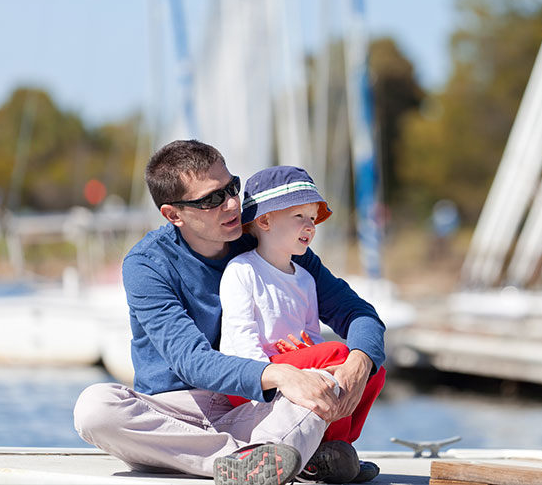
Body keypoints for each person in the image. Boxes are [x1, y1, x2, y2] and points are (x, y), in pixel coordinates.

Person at [73, 140, 386, 485]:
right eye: (211, 199)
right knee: (95, 408)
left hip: (256, 407)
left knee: (330, 374)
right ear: (173, 214)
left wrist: (359, 363)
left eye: (232, 188)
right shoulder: (147, 264)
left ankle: (267, 455)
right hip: (175, 413)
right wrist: (280, 375)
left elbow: (359, 314)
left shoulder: (267, 239)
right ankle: (269, 458)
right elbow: (191, 360)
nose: (233, 204)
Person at [219, 166, 386, 482]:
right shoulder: (242, 270)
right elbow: (240, 337)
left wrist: (309, 353)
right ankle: (328, 449)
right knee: (339, 353)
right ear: (265, 221)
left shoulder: (307, 280)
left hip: (299, 370)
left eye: (313, 218)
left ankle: (336, 450)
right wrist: (268, 375)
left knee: (371, 368)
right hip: (253, 379)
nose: (310, 226)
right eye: (299, 216)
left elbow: (311, 336)